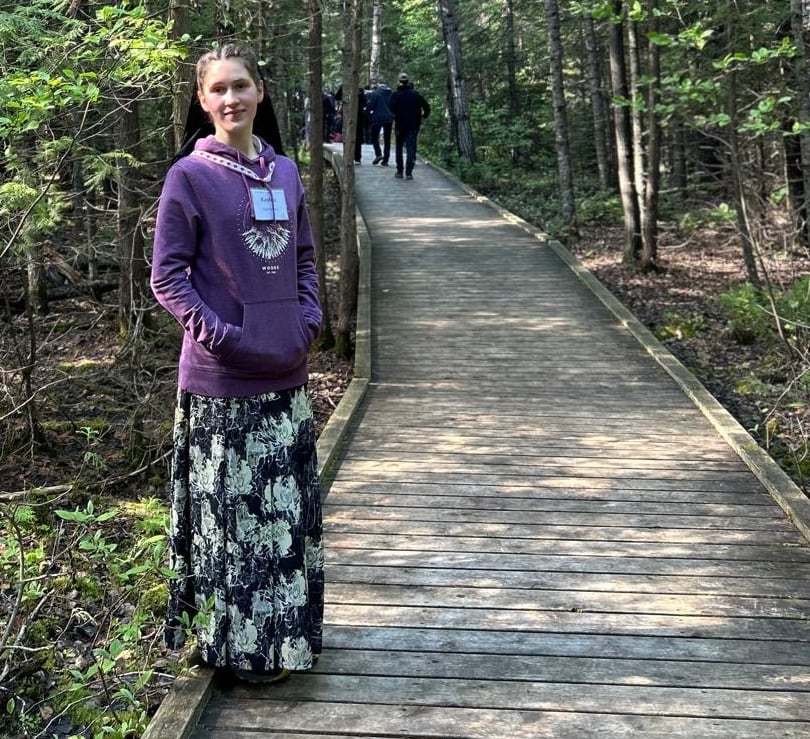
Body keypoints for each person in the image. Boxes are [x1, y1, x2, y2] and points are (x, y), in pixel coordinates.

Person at [151, 42, 324, 685]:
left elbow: (304, 257)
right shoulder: (190, 176)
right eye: (219, 89)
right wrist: (222, 336)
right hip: (221, 383)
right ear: (203, 100)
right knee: (231, 523)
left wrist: (308, 320)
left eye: (241, 86)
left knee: (283, 522)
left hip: (285, 376)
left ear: (260, 92)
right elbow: (167, 277)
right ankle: (235, 651)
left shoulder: (285, 172)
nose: (232, 99)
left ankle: (284, 645)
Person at [389, 72, 430, 180]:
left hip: (400, 125)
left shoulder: (395, 95)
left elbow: (390, 108)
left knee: (399, 148)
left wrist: (395, 115)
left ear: (399, 81)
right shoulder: (416, 95)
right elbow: (427, 107)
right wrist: (423, 116)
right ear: (408, 81)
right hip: (413, 125)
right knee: (411, 148)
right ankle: (409, 172)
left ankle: (399, 171)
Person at [366, 79, 394, 166]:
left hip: (377, 118)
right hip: (389, 118)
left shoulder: (375, 94)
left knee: (374, 137)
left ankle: (378, 154)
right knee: (387, 139)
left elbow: (370, 106)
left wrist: (369, 116)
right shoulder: (391, 94)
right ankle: (386, 159)